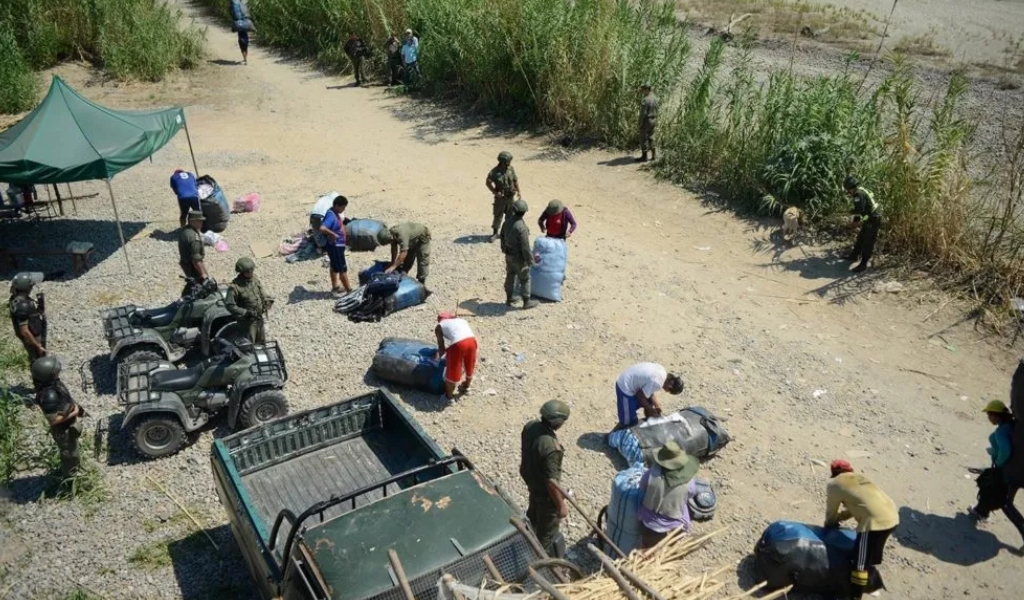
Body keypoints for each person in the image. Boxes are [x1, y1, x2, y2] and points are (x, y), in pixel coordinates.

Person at [824, 460, 899, 600]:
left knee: (859, 563)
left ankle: (855, 596)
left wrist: (830, 524)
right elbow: (859, 504)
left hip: (874, 524)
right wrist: (842, 517)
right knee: (868, 556)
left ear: (833, 473)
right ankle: (871, 585)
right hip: (892, 517)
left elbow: (831, 511)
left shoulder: (834, 484)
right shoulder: (860, 478)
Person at [968, 400, 1024, 549]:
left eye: (989, 415)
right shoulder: (1012, 425)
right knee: (989, 485)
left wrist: (998, 463)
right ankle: (981, 511)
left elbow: (1005, 450)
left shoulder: (1001, 431)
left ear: (995, 415)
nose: (988, 418)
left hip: (1012, 471)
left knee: (1005, 501)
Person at [520, 400, 570, 557]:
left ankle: (526, 540)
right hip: (546, 496)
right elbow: (551, 482)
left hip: (532, 484)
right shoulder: (551, 448)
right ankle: (540, 561)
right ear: (557, 422)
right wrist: (561, 506)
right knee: (546, 536)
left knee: (533, 516)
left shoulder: (530, 426)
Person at [638, 441, 700, 549]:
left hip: (648, 521)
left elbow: (642, 486)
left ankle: (646, 545)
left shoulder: (653, 472)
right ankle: (675, 540)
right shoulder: (688, 482)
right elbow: (691, 493)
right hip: (672, 522)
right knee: (684, 509)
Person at [31, 356, 84, 481]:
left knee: (73, 451)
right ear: (49, 375)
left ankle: (74, 472)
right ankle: (70, 480)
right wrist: (75, 411)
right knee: (69, 455)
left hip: (68, 427)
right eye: (55, 371)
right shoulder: (48, 395)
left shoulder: (53, 383)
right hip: (63, 431)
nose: (58, 371)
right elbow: (53, 420)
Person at [614, 362, 684, 428]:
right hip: (625, 386)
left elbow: (650, 391)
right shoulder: (658, 382)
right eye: (668, 391)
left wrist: (657, 405)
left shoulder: (662, 372)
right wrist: (651, 410)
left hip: (632, 380)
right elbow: (640, 396)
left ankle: (651, 421)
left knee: (650, 402)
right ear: (670, 387)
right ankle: (613, 435)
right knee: (629, 422)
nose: (665, 391)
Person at [224, 257, 275, 344]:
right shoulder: (235, 287)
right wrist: (245, 312)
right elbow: (230, 305)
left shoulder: (254, 280)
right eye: (247, 271)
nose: (250, 273)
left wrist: (267, 301)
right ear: (241, 272)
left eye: (252, 270)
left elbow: (262, 292)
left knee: (261, 342)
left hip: (259, 319)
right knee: (249, 344)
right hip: (247, 323)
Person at [500, 199, 538, 310]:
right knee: (525, 278)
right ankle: (526, 302)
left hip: (509, 255)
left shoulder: (506, 222)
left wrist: (503, 249)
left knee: (510, 276)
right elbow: (525, 247)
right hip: (519, 258)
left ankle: (509, 298)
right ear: (524, 212)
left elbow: (502, 236)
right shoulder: (521, 227)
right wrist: (530, 261)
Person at [434, 312, 478, 403]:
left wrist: (436, 360)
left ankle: (448, 397)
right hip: (472, 341)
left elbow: (441, 349)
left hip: (458, 344)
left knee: (453, 370)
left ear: (439, 320)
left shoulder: (439, 326)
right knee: (469, 364)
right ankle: (466, 386)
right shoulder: (461, 320)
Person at [843, 176, 882, 273]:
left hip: (873, 219)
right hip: (870, 217)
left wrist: (849, 212)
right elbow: (861, 210)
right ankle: (854, 256)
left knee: (868, 242)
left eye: (848, 191)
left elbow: (858, 209)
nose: (849, 193)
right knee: (861, 238)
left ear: (851, 188)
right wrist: (856, 220)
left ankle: (863, 264)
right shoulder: (861, 190)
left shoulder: (858, 195)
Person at [8, 272, 46, 361]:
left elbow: (32, 313)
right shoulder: (22, 306)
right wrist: (38, 346)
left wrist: (40, 307)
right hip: (33, 336)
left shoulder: (18, 299)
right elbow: (24, 331)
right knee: (38, 359)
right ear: (27, 287)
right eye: (31, 285)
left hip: (34, 327)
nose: (32, 287)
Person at [319, 195, 353, 297]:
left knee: (334, 267)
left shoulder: (334, 212)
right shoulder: (331, 215)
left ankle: (335, 287)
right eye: (343, 207)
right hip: (335, 247)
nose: (343, 210)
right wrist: (333, 234)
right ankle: (349, 291)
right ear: (337, 206)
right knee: (342, 269)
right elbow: (322, 228)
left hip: (337, 246)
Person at [486, 151, 521, 241]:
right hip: (500, 199)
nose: (510, 163)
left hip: (510, 197)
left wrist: (518, 191)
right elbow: (488, 182)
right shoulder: (494, 172)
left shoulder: (510, 169)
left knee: (510, 216)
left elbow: (515, 180)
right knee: (498, 215)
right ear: (503, 161)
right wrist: (495, 192)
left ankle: (507, 233)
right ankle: (495, 233)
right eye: (508, 161)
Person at [178, 210, 212, 297]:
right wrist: (204, 275)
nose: (201, 223)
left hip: (185, 263)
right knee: (199, 286)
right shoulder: (194, 237)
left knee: (192, 282)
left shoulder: (185, 230)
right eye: (199, 221)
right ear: (192, 221)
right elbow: (196, 260)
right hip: (192, 267)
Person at [230, 0, 256, 65]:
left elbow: (231, 11)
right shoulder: (244, 2)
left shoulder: (235, 2)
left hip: (238, 23)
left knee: (241, 39)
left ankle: (244, 58)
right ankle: (245, 58)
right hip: (246, 22)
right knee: (245, 39)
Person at [638, 83, 658, 163]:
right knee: (651, 137)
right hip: (653, 119)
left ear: (647, 89)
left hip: (647, 120)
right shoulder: (655, 98)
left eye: (643, 90)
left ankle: (644, 157)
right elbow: (657, 109)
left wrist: (640, 123)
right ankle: (654, 156)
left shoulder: (646, 99)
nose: (642, 91)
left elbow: (643, 113)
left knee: (644, 138)